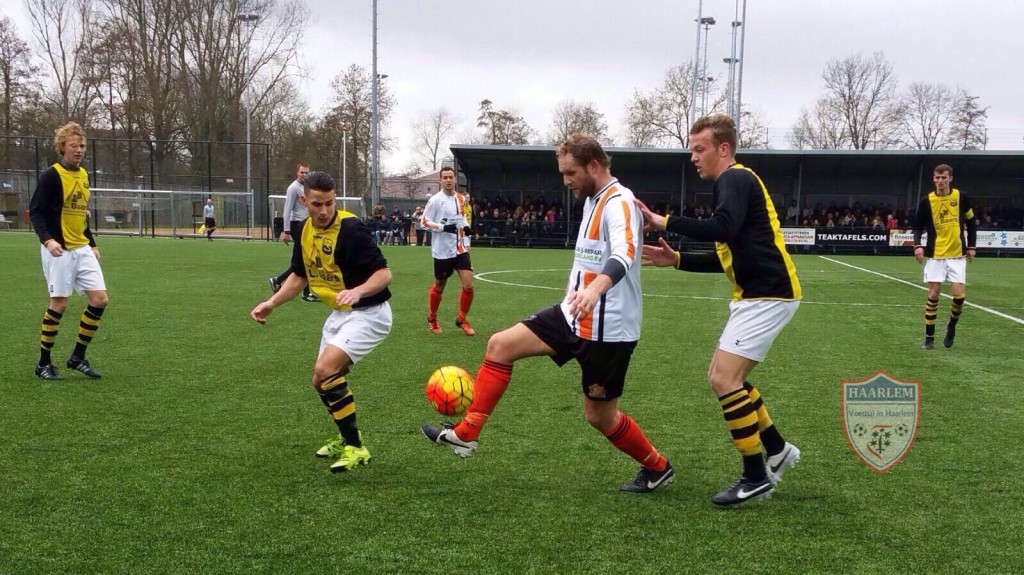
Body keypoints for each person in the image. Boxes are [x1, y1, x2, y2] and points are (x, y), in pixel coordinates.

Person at [422, 133, 675, 493]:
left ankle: (657, 466)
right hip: (573, 314)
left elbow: (624, 254)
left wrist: (596, 287)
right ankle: (467, 433)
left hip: (606, 329)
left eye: (569, 172)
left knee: (599, 417)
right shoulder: (594, 197)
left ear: (592, 166)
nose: (565, 180)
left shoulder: (618, 202)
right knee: (500, 346)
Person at [636, 113, 801, 507]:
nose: (693, 157)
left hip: (768, 295)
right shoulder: (736, 183)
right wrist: (677, 260)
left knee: (723, 380)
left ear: (723, 149)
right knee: (726, 378)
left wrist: (664, 220)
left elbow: (722, 227)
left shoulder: (735, 178)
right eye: (691, 149)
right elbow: (725, 251)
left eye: (699, 148)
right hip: (760, 294)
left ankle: (755, 475)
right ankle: (777, 450)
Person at [250, 171, 392, 473]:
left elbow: (384, 274)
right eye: (317, 204)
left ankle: (357, 447)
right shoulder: (303, 229)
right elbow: (299, 276)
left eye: (329, 203)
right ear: (305, 201)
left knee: (325, 370)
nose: (324, 210)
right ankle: (346, 438)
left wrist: (358, 291)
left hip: (370, 313)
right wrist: (271, 303)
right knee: (320, 380)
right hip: (340, 314)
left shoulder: (352, 229)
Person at [28, 121, 107, 380]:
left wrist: (91, 242)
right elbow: (36, 212)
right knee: (59, 304)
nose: (79, 150)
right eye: (73, 145)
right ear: (62, 147)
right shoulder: (52, 175)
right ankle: (43, 364)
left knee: (99, 299)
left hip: (81, 247)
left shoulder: (84, 175)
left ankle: (77, 357)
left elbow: (80, 216)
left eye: (82, 145)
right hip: (58, 249)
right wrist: (48, 240)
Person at [913, 164, 976, 349]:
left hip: (957, 254)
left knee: (959, 296)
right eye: (937, 178)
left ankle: (951, 326)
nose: (940, 181)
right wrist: (917, 246)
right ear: (933, 179)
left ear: (950, 178)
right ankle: (929, 339)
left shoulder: (961, 197)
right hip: (935, 254)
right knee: (933, 294)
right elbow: (917, 226)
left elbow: (971, 223)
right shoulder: (927, 201)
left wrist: (971, 246)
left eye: (944, 178)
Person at [420, 166, 475, 335]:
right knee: (440, 285)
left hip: (460, 248)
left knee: (468, 285)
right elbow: (424, 222)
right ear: (440, 180)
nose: (449, 180)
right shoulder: (435, 200)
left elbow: (462, 218)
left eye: (451, 177)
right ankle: (432, 317)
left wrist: (466, 228)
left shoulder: (460, 198)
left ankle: (461, 319)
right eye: (445, 177)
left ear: (455, 179)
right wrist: (443, 227)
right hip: (442, 251)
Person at [268, 163, 317, 302]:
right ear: (297, 173)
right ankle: (278, 280)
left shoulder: (307, 187)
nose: (304, 175)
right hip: (297, 225)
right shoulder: (293, 188)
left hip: (307, 225)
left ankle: (304, 292)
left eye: (307, 172)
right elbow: (288, 209)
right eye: (302, 172)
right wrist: (287, 230)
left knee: (306, 259)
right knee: (306, 259)